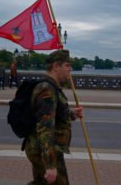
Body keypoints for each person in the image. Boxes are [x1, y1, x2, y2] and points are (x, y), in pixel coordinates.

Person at [24, 49, 83, 185]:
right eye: (67, 65)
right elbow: (45, 128)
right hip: (45, 151)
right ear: (56, 66)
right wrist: (50, 165)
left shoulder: (52, 87)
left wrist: (72, 113)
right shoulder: (47, 89)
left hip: (41, 149)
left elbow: (55, 113)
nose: (71, 69)